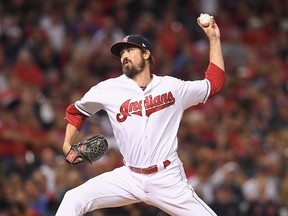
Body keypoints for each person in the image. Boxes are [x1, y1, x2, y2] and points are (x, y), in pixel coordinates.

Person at [56, 14, 225, 216]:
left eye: (129, 50)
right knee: (73, 199)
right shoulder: (109, 88)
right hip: (130, 176)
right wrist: (67, 145)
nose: (124, 56)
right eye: (121, 54)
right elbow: (76, 113)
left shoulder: (171, 87)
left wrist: (214, 39)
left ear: (146, 54)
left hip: (166, 178)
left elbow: (214, 83)